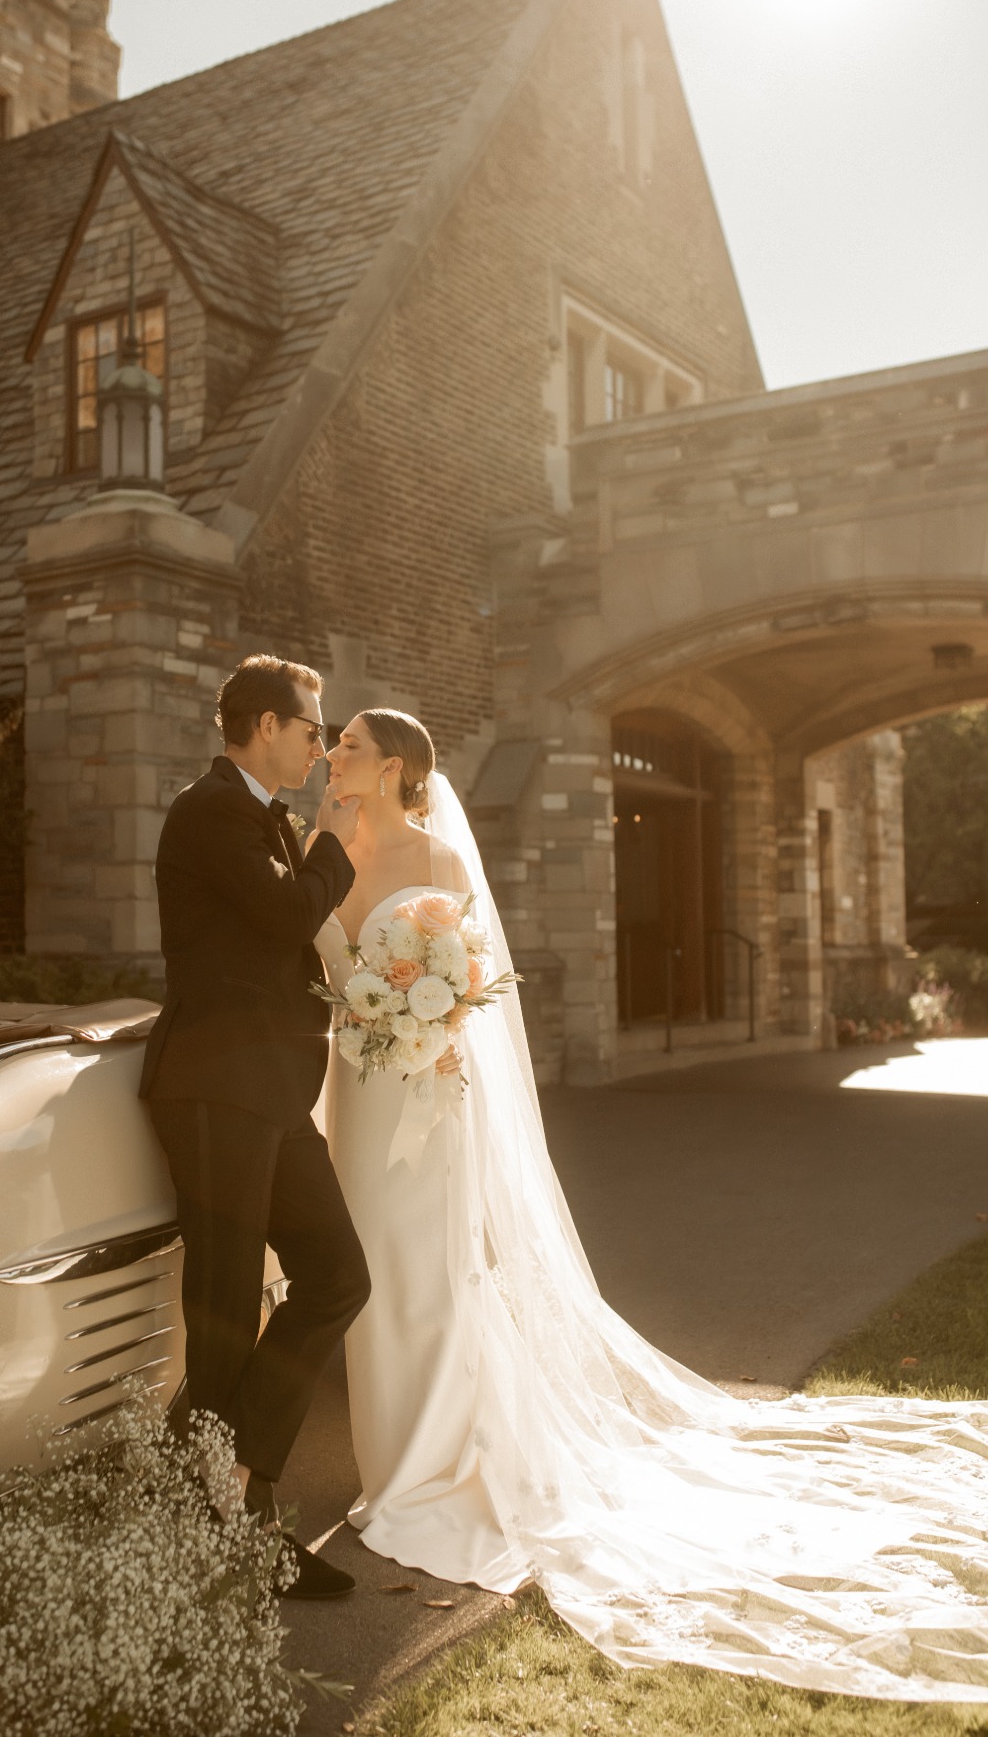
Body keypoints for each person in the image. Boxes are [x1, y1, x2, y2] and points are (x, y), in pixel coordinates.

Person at [314, 706, 988, 1699]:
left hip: (421, 1090)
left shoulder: (436, 852)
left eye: (353, 747)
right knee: (366, 1264)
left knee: (423, 1266)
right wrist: (362, 990)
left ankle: (429, 1460)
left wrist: (425, 1023)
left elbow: (468, 981)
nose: (336, 755)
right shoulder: (323, 843)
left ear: (399, 766)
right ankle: (390, 1452)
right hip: (357, 1087)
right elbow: (310, 948)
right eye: (333, 743)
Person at [140, 654, 370, 1601]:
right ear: (266, 726)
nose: (321, 746)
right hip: (214, 1088)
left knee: (336, 1276)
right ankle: (236, 1531)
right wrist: (332, 847)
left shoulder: (261, 817)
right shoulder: (208, 812)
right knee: (227, 1306)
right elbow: (281, 917)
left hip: (272, 1092)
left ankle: (233, 1480)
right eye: (313, 729)